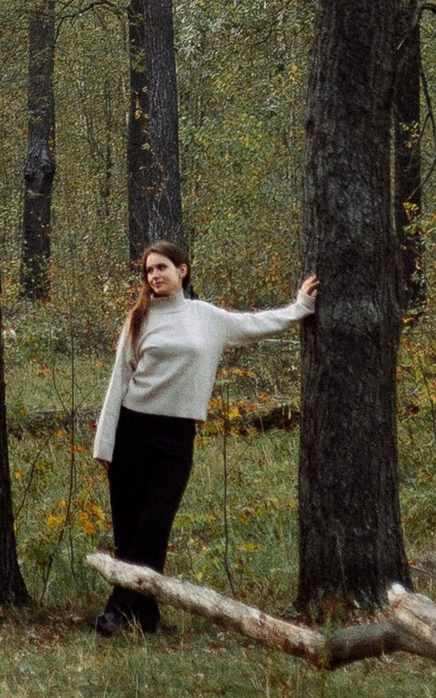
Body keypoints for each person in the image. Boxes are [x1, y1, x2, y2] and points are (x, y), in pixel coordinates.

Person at [89, 242, 318, 635]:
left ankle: (116, 611)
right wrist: (104, 445)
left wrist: (300, 307)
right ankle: (145, 619)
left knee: (155, 524)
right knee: (129, 529)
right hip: (132, 429)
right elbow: (118, 382)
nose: (154, 276)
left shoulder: (207, 318)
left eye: (162, 267)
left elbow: (258, 324)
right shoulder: (139, 319)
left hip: (176, 436)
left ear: (183, 270)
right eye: (148, 271)